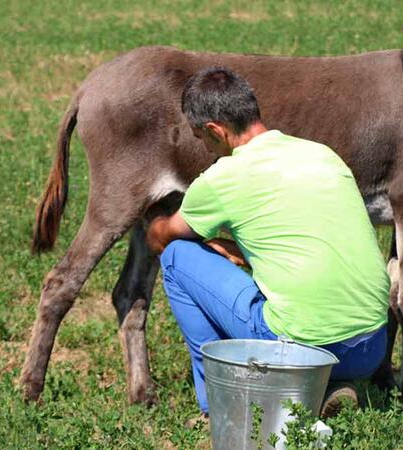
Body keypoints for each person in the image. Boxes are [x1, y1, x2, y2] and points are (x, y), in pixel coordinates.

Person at [146, 67, 390, 423]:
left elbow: (161, 238)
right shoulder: (322, 154)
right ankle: (329, 386)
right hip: (371, 346)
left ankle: (218, 402)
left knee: (176, 258)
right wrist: (243, 247)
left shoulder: (221, 179)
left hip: (298, 349)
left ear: (215, 130)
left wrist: (171, 225)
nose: (204, 147)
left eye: (201, 138)